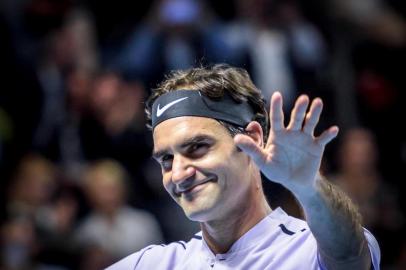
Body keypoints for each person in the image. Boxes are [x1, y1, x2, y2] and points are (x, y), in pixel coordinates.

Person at [107, 64, 380, 269]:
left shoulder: (308, 251)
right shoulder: (152, 264)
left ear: (252, 139)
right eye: (167, 159)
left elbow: (348, 256)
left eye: (198, 147)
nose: (178, 173)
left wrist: (307, 187)